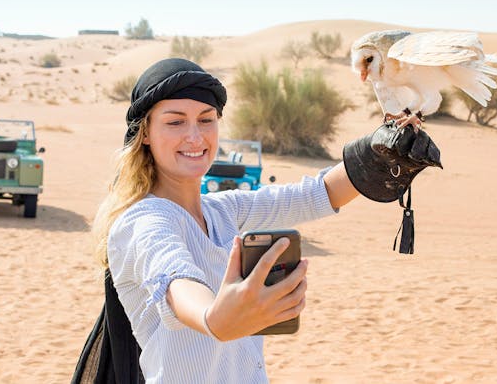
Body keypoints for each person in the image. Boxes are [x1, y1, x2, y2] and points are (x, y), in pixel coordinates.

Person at [74, 58, 440, 383]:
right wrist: (215, 318)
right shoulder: (143, 222)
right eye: (175, 122)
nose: (195, 136)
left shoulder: (224, 211)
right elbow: (174, 278)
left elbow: (318, 195)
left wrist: (379, 153)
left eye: (206, 120)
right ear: (145, 135)